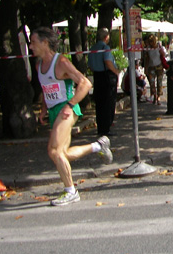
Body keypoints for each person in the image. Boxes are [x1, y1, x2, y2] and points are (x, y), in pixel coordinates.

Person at [30, 27, 112, 206]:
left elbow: (85, 83)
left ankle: (71, 191)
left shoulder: (60, 62)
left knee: (54, 151)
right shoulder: (38, 65)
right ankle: (98, 146)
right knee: (63, 153)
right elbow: (47, 88)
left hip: (66, 109)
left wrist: (70, 104)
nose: (30, 46)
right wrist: (44, 109)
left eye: (33, 42)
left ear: (45, 43)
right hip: (54, 111)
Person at [88, 28, 119, 137]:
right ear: (106, 37)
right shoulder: (105, 48)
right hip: (106, 76)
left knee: (99, 103)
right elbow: (108, 62)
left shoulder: (92, 48)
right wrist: (116, 72)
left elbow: (90, 65)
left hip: (97, 76)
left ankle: (101, 127)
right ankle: (106, 128)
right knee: (108, 102)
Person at [143, 34, 167, 105]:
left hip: (159, 66)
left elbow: (163, 55)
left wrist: (161, 51)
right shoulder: (148, 48)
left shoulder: (159, 47)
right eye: (150, 42)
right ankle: (154, 95)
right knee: (152, 83)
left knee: (159, 83)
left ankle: (158, 97)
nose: (151, 44)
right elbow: (147, 59)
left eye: (152, 42)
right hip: (151, 67)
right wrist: (146, 68)